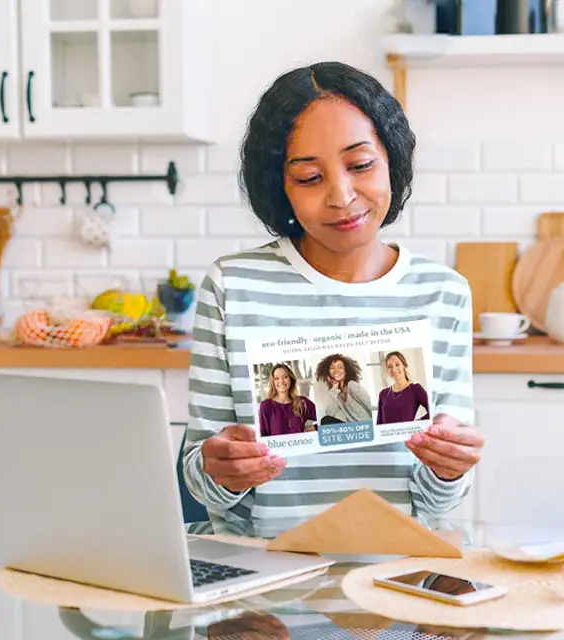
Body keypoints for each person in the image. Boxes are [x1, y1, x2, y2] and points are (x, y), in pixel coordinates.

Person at [181, 60, 484, 526]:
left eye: (360, 165)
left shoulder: (442, 293)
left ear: (392, 160)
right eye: (308, 177)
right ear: (280, 185)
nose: (341, 196)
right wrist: (222, 472)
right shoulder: (232, 287)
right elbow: (203, 488)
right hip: (264, 583)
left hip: (397, 581)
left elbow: (437, 505)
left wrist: (448, 469)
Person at [257, 363, 318, 436]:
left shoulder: (302, 402)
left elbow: (324, 418)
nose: (281, 381)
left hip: (301, 446)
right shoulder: (266, 406)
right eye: (277, 378)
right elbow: (264, 435)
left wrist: (313, 429)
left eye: (285, 377)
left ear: (291, 379)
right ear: (273, 382)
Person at [314, 353, 373, 425]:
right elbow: (330, 413)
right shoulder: (337, 393)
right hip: (351, 427)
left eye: (340, 367)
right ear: (328, 373)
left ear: (346, 372)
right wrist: (334, 390)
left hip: (366, 425)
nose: (336, 370)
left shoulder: (352, 385)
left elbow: (369, 404)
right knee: (325, 420)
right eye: (332, 368)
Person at [376, 351, 430, 424]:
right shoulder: (383, 394)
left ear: (404, 366)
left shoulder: (415, 389)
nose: (394, 370)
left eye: (397, 364)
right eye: (389, 366)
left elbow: (434, 411)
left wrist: (417, 424)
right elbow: (379, 423)